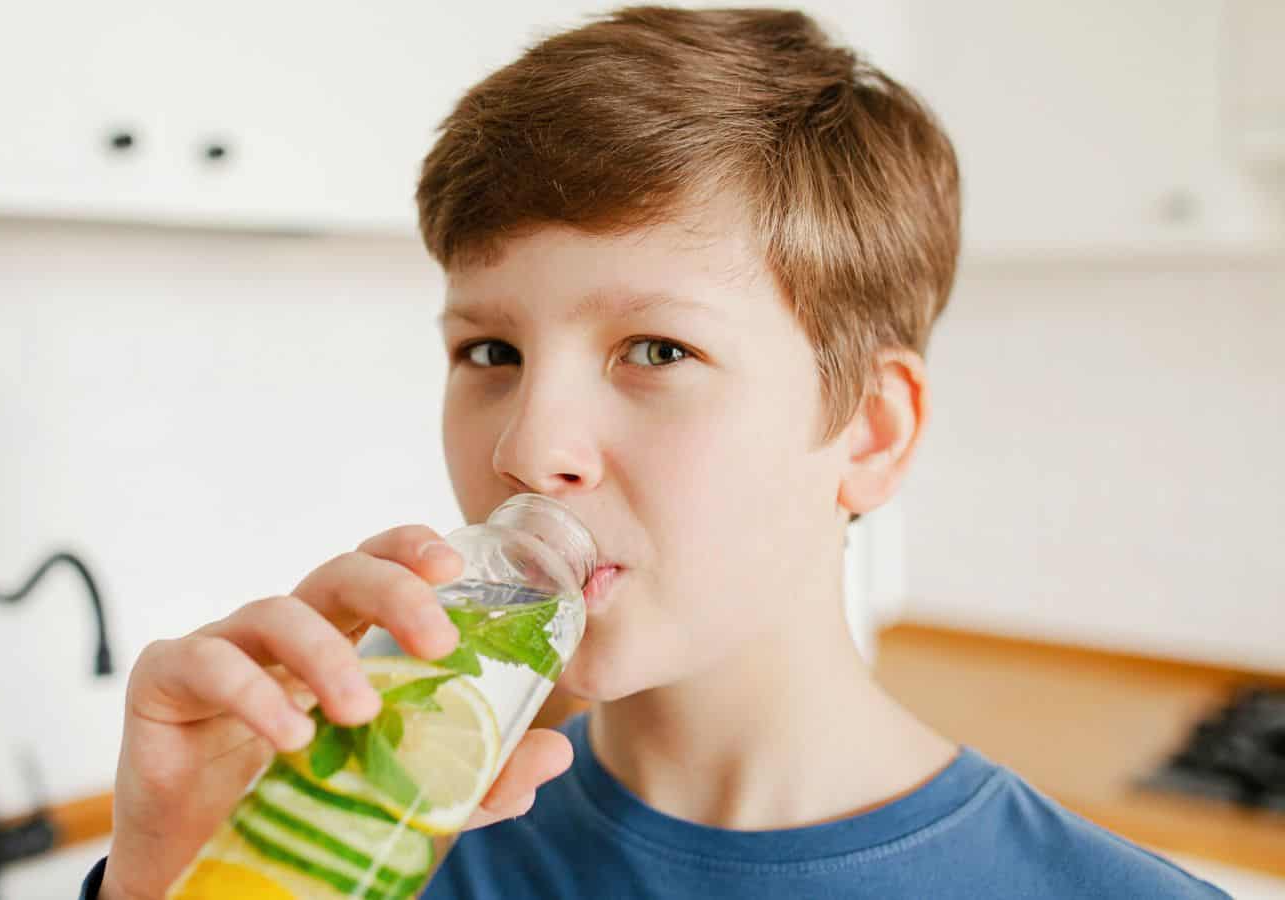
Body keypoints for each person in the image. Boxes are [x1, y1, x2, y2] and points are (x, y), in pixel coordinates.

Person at [81, 7, 1228, 898]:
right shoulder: (353, 853)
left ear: (870, 434)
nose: (530, 448)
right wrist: (158, 883)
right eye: (489, 349)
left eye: (658, 349)